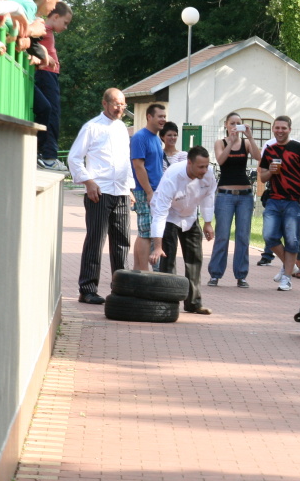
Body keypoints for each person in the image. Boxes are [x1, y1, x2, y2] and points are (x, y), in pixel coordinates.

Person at [66, 89, 134, 305]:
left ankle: (121, 288)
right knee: (96, 240)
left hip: (121, 191)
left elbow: (125, 160)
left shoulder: (122, 128)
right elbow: (74, 158)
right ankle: (87, 289)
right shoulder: (92, 127)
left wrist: (129, 187)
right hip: (99, 192)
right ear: (104, 103)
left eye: (123, 105)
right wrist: (88, 182)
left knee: (122, 242)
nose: (120, 108)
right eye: (116, 104)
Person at [148, 147, 217, 315]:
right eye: (200, 167)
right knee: (168, 260)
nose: (204, 170)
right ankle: (168, 303)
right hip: (169, 215)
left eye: (206, 166)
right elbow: (160, 214)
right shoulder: (173, 177)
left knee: (195, 259)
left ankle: (193, 303)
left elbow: (209, 196)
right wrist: (158, 247)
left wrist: (208, 223)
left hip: (190, 215)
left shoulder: (208, 174)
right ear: (189, 163)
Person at [258, 116, 300, 291]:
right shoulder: (269, 150)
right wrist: (270, 172)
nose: (280, 131)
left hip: (294, 201)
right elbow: (262, 177)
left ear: (289, 129)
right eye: (277, 128)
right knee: (269, 236)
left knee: (292, 240)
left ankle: (287, 278)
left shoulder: (298, 148)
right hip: (274, 199)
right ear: (273, 129)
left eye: (283, 128)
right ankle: (290, 265)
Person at [208, 112, 259, 288]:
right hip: (225, 195)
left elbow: (259, 157)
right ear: (226, 125)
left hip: (245, 195)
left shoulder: (246, 143)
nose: (235, 126)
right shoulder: (220, 143)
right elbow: (221, 161)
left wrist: (250, 137)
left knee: (243, 236)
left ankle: (241, 275)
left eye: (238, 123)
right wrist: (230, 142)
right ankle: (215, 274)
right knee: (222, 235)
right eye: (232, 123)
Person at [130, 103, 168, 271]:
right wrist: (149, 192)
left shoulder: (156, 139)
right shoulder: (140, 137)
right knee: (146, 233)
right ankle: (144, 272)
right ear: (149, 117)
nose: (163, 120)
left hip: (155, 191)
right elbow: (138, 166)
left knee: (145, 231)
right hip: (145, 191)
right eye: (160, 116)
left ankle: (138, 269)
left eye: (164, 116)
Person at [33, 1, 71, 171]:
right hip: (45, 74)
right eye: (65, 22)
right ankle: (48, 156)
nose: (66, 27)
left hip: (50, 75)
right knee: (52, 114)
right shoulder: (42, 28)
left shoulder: (47, 31)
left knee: (54, 112)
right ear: (55, 17)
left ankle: (47, 154)